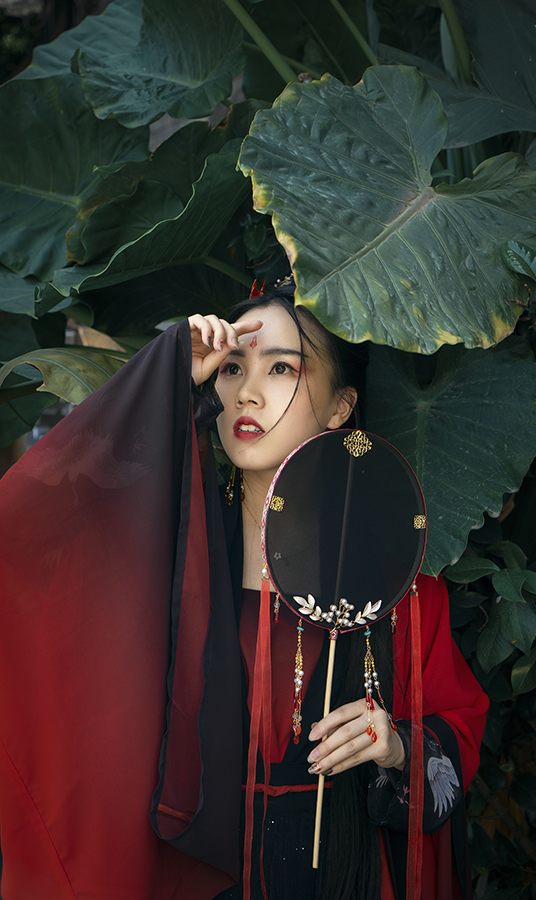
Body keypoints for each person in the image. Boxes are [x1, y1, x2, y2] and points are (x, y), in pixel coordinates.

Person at [0, 278, 488, 900]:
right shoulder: (162, 568)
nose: (247, 392)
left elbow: (455, 741)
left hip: (350, 876)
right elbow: (28, 533)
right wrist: (172, 378)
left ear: (341, 407)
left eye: (281, 368)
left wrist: (396, 748)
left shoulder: (399, 587)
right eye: (233, 368)